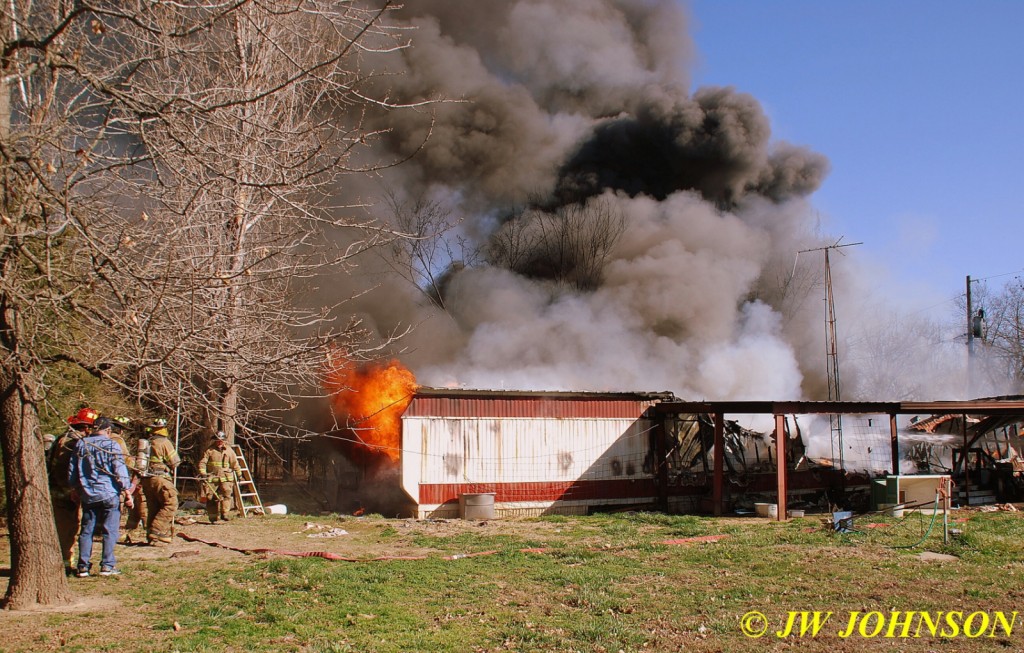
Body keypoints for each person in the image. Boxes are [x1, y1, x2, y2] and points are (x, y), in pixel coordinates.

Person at [67, 416, 131, 577]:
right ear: (108, 430)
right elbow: (120, 469)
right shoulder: (112, 445)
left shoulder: (82, 444)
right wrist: (127, 491)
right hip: (110, 493)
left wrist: (74, 488)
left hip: (88, 494)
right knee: (110, 531)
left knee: (86, 530)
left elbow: (72, 470)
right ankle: (107, 566)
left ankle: (83, 566)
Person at [47, 406, 98, 574]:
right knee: (67, 527)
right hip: (65, 491)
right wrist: (74, 490)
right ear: (85, 427)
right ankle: (63, 564)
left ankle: (65, 560)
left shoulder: (65, 438)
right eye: (91, 427)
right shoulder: (73, 442)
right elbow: (66, 469)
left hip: (63, 490)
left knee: (69, 526)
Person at [140, 418, 180, 545]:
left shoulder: (147, 442)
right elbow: (175, 461)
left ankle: (151, 536)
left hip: (146, 479)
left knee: (154, 507)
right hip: (160, 478)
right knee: (171, 503)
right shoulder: (164, 442)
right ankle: (156, 530)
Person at [109, 416, 146, 543]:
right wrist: (138, 465)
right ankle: (112, 533)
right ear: (119, 429)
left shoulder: (96, 439)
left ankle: (98, 531)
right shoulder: (117, 440)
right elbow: (124, 459)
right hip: (113, 480)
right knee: (115, 507)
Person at [198, 431, 242, 523]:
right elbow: (203, 462)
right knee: (210, 498)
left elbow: (235, 464)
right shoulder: (209, 451)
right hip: (212, 478)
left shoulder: (229, 451)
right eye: (217, 441)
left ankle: (225, 514)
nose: (219, 442)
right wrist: (203, 473)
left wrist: (239, 475)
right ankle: (213, 517)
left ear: (224, 441)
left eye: (221, 441)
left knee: (227, 496)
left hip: (226, 479)